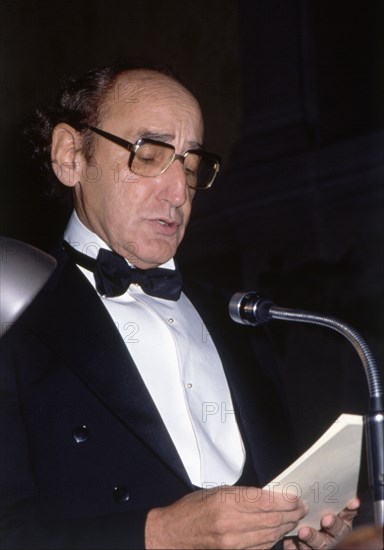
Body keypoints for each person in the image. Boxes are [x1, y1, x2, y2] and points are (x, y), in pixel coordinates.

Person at [0, 60, 360, 549]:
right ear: (70, 156)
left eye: (190, 165)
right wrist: (162, 533)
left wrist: (297, 535)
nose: (177, 192)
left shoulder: (241, 317)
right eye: (149, 155)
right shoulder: (17, 317)